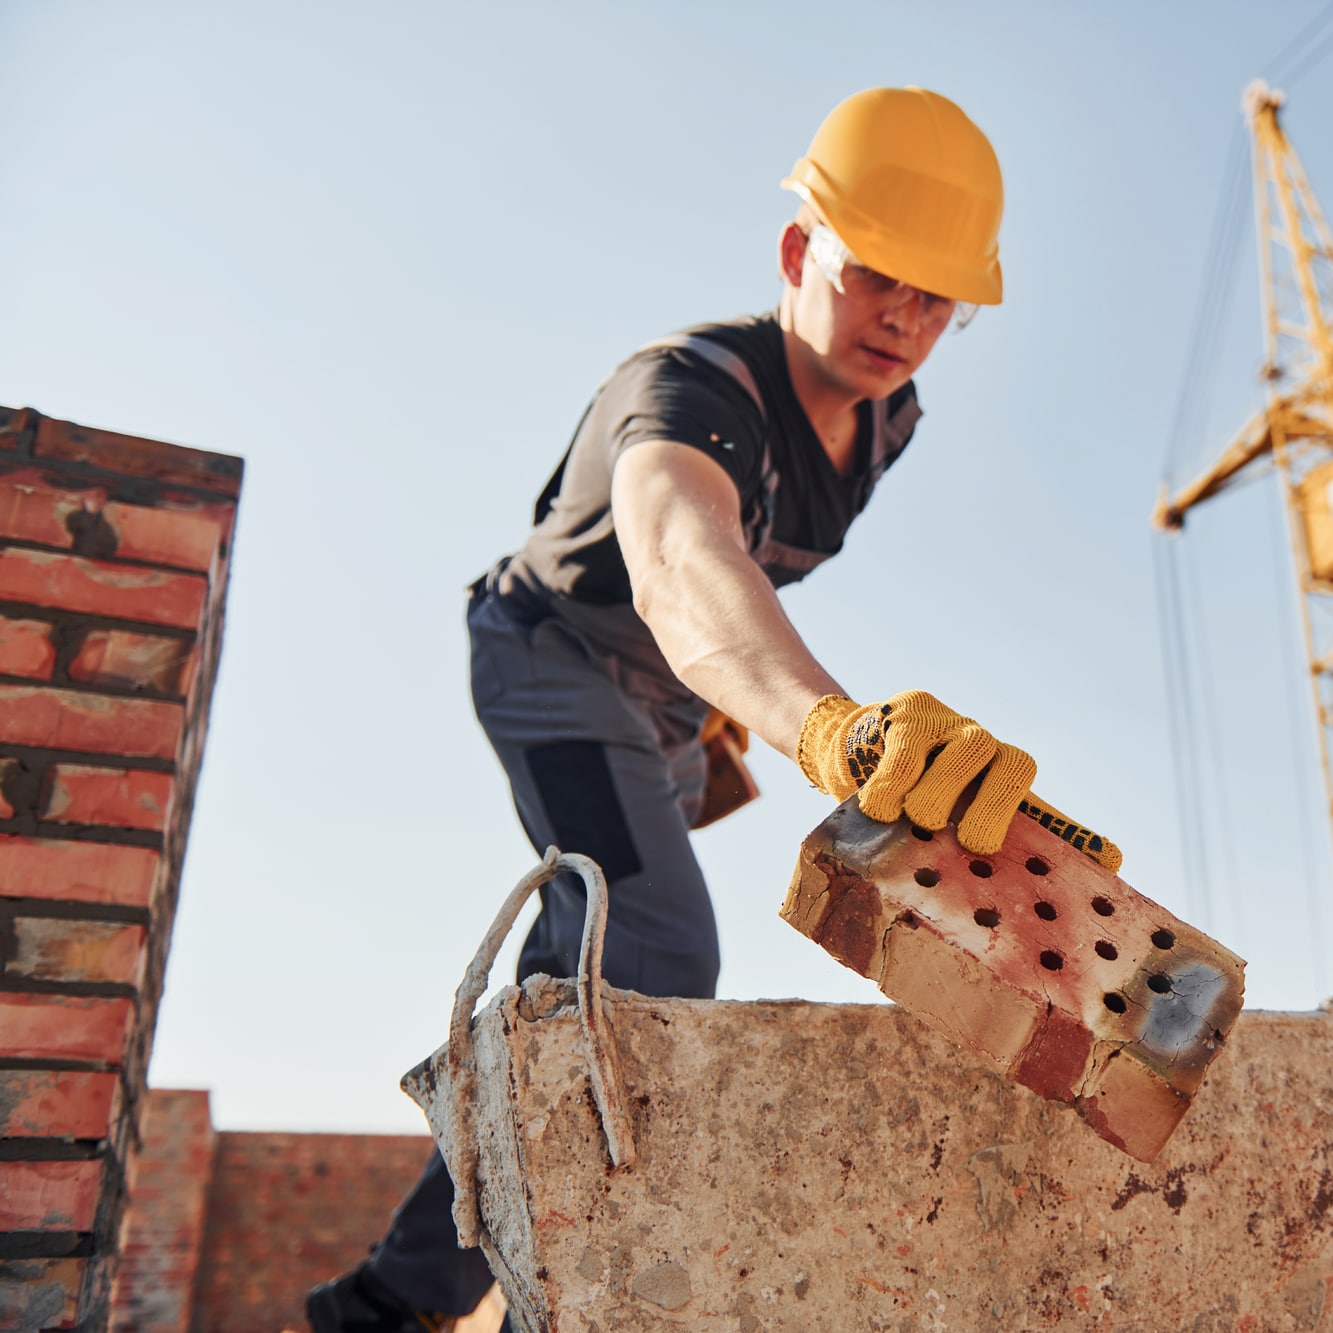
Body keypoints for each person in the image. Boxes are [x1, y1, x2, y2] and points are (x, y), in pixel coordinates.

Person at [306, 85, 1117, 1332]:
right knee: (653, 949)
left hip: (674, 712)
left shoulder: (887, 416)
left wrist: (722, 723)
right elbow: (689, 563)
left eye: (935, 298)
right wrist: (823, 725)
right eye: (874, 277)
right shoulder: (686, 393)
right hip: (555, 663)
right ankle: (443, 1304)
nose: (902, 317)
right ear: (800, 253)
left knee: (597, 983)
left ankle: (408, 1293)